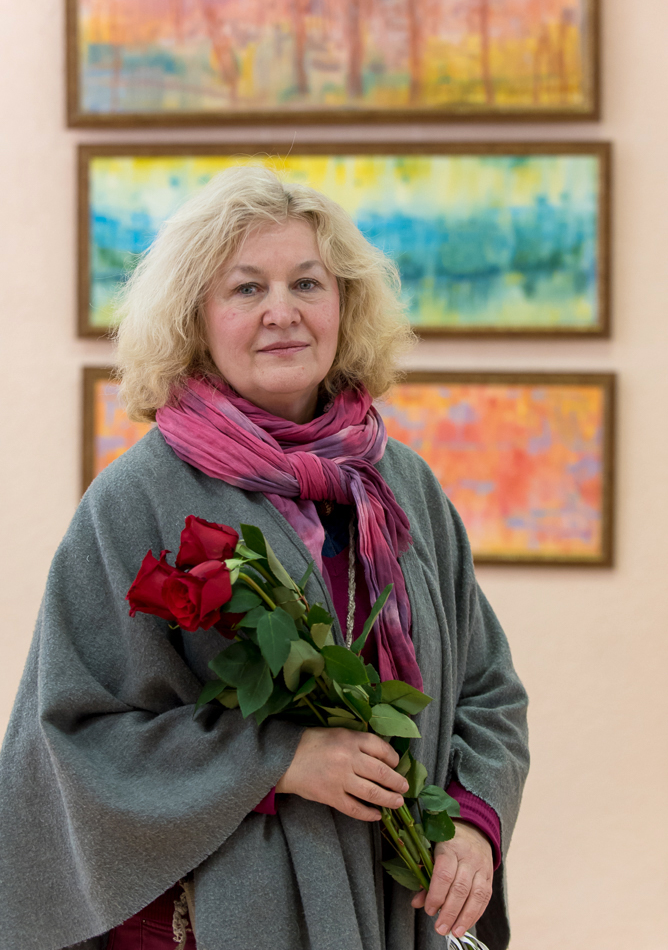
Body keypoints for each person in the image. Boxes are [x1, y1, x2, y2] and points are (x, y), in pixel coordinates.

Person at [0, 166, 529, 950]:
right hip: (214, 918)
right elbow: (70, 741)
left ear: (344, 305)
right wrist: (278, 760)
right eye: (247, 288)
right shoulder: (135, 499)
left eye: (307, 283)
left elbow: (488, 691)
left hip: (397, 904)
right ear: (196, 318)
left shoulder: (402, 485)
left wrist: (474, 826)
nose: (282, 312)